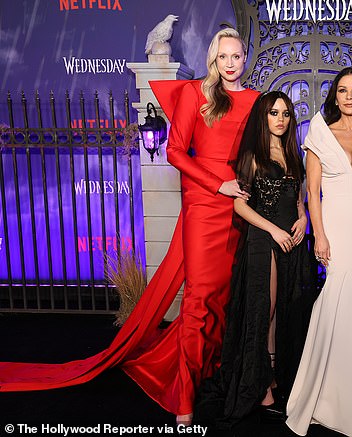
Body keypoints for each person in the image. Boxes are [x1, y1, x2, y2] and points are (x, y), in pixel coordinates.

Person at [0, 28, 259, 426]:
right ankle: (184, 396)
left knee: (222, 301)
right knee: (197, 303)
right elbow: (174, 152)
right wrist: (216, 183)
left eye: (236, 56)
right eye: (222, 56)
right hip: (204, 206)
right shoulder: (196, 95)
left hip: (238, 209)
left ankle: (212, 373)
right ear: (213, 59)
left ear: (245, 58)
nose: (229, 63)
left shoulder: (256, 101)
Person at [194, 91, 317, 427]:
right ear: (263, 117)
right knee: (266, 310)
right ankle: (259, 382)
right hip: (264, 240)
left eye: (286, 114)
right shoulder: (252, 155)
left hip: (290, 240)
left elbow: (300, 198)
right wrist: (274, 231)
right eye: (273, 113)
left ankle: (273, 375)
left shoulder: (294, 155)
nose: (280, 119)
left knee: (283, 313)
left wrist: (303, 218)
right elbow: (240, 205)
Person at [285, 67, 352, 437]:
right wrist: (320, 235)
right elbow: (312, 191)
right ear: (335, 97)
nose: (349, 96)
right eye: (343, 90)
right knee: (336, 297)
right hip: (336, 228)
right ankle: (326, 397)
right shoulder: (320, 134)